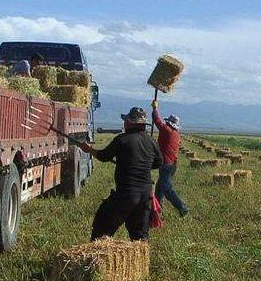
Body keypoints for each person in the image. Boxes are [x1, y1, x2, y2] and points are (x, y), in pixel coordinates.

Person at [79, 107, 163, 241]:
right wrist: (140, 165)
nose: (124, 123)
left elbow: (104, 156)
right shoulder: (152, 141)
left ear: (130, 123)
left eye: (125, 121)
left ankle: (95, 259)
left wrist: (89, 149)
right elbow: (159, 162)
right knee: (140, 237)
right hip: (146, 195)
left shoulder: (123, 139)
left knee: (102, 228)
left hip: (127, 193)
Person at [151, 100, 189, 217]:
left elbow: (157, 120)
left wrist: (155, 108)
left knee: (167, 190)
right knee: (160, 188)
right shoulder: (176, 133)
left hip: (166, 165)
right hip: (171, 165)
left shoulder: (167, 130)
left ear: (169, 124)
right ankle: (157, 211)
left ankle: (183, 208)